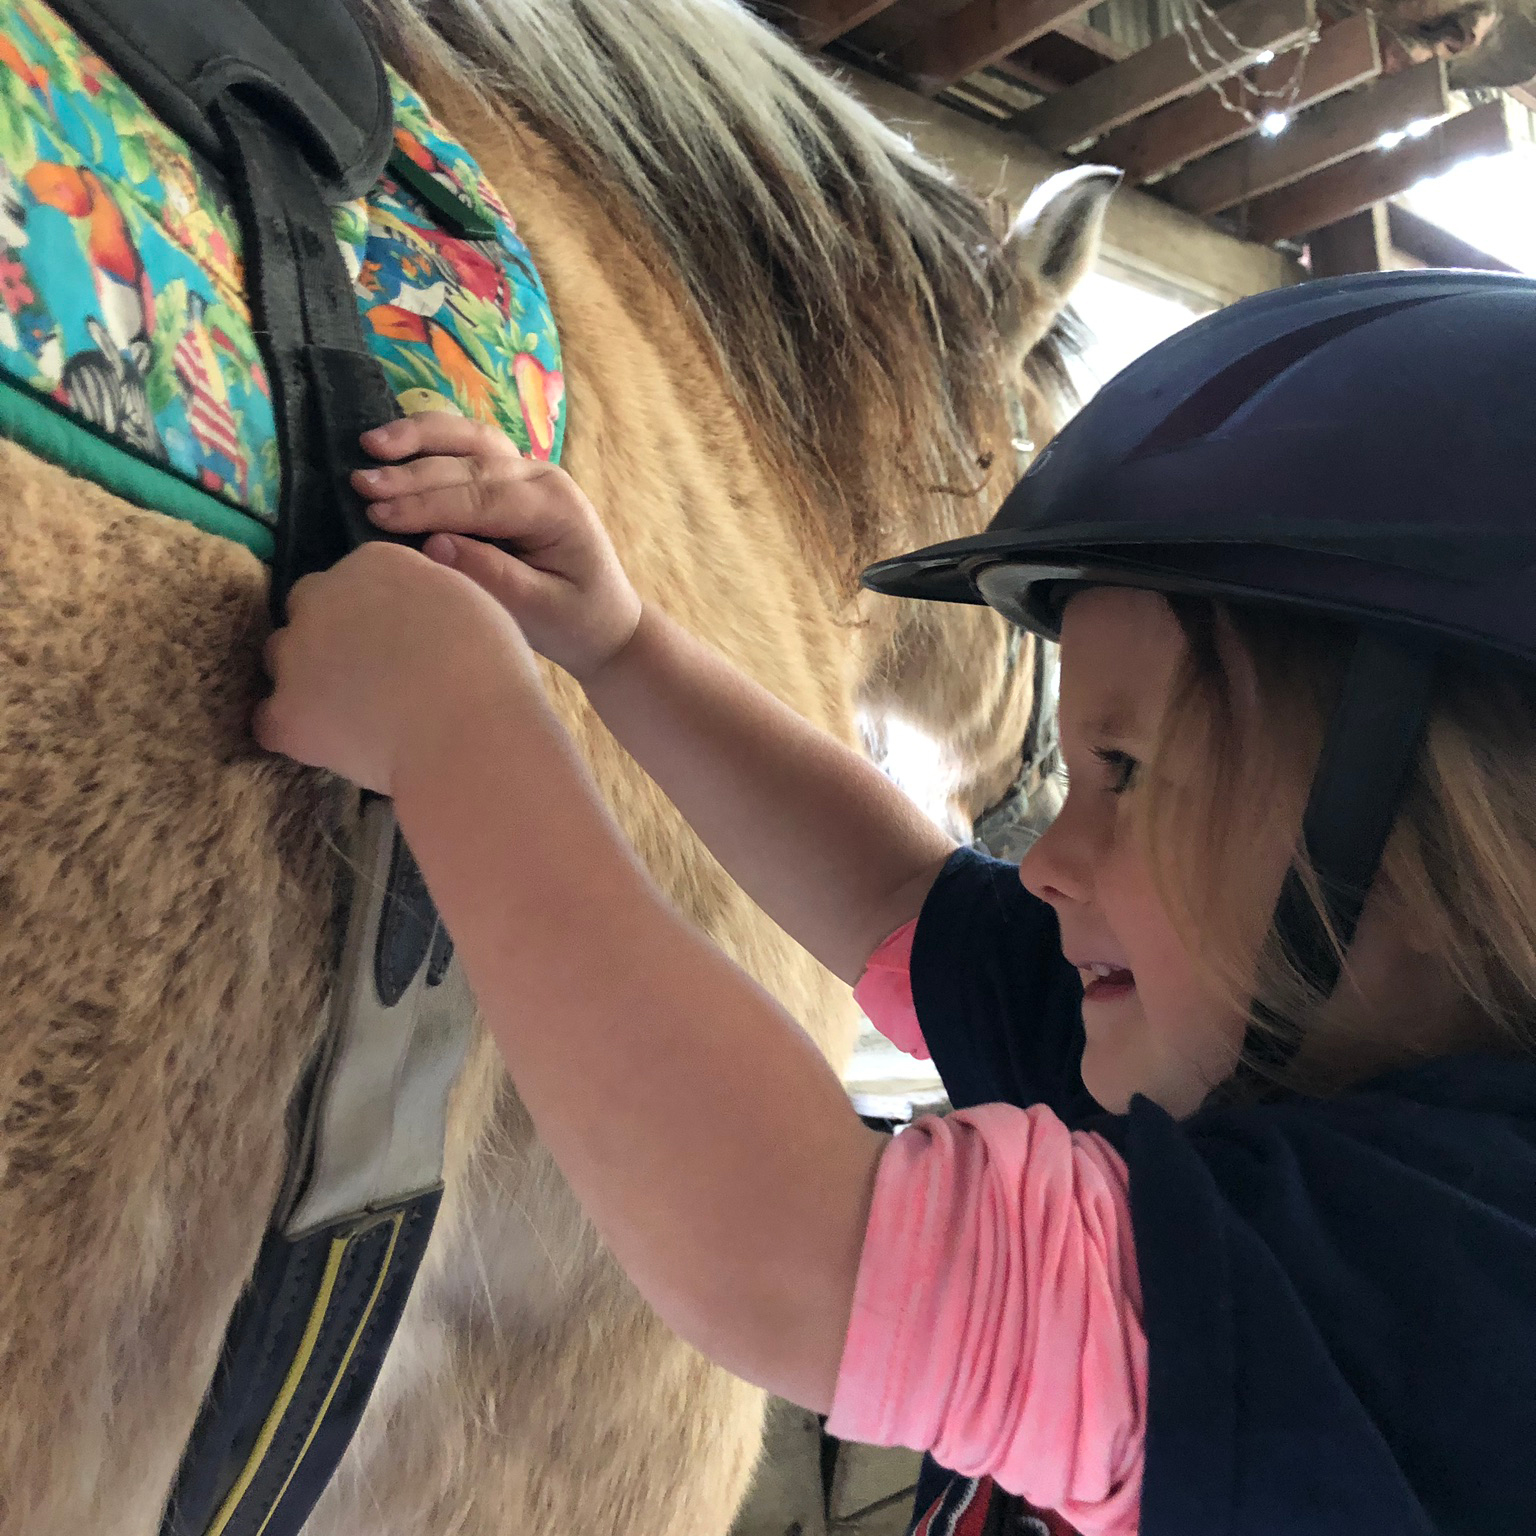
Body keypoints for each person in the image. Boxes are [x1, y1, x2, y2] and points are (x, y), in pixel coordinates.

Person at [255, 269, 1536, 1536]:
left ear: (1432, 852)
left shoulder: (1464, 1272)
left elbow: (803, 1255)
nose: (1047, 860)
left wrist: (458, 736)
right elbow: (892, 898)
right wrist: (620, 645)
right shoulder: (1252, 1031)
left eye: (1127, 772)